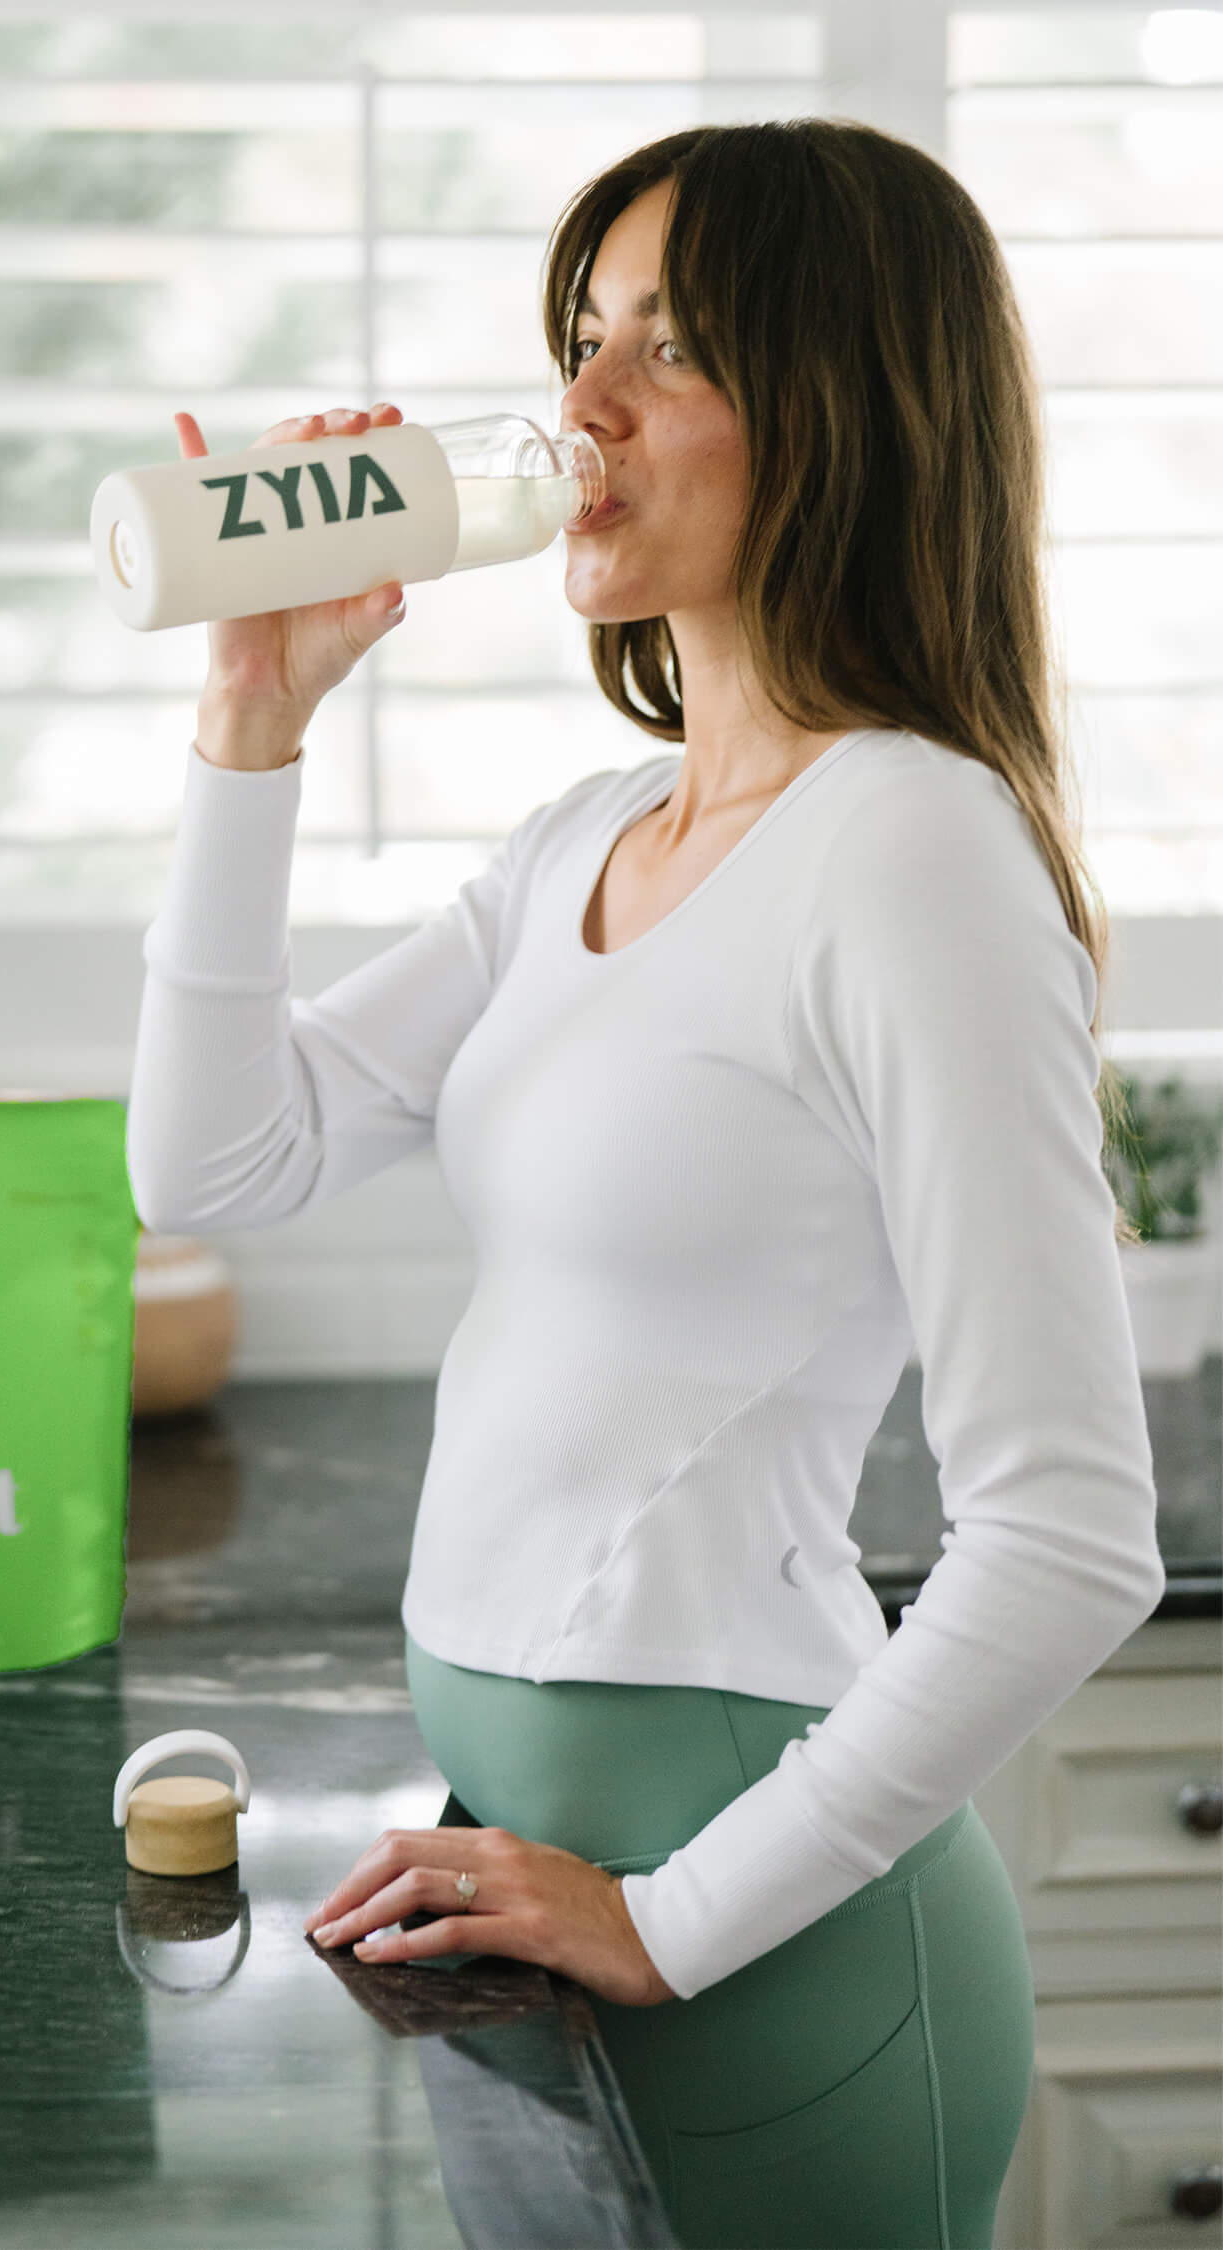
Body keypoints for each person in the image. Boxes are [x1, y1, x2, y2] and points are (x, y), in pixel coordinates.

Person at [125, 118, 1165, 2250]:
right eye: (580, 336)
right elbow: (213, 1157)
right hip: (543, 1882)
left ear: (846, 410)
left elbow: (1073, 1533)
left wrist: (673, 1922)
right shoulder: (588, 837)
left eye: (668, 349)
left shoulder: (914, 851)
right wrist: (252, 721)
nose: (579, 405)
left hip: (764, 1960)